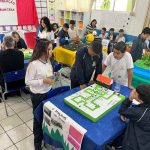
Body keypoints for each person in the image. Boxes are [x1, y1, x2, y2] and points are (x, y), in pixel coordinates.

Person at [25, 39, 54, 150]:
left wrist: (52, 78)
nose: (52, 51)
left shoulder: (48, 61)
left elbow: (49, 74)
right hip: (38, 96)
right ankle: (37, 144)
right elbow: (28, 82)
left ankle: (45, 140)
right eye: (49, 49)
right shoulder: (34, 64)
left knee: (46, 118)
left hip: (49, 93)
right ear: (42, 50)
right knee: (38, 119)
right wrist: (43, 81)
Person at [119, 84, 150, 150]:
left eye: (136, 93)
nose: (133, 91)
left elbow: (122, 110)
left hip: (135, 145)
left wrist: (130, 98)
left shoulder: (138, 113)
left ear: (141, 101)